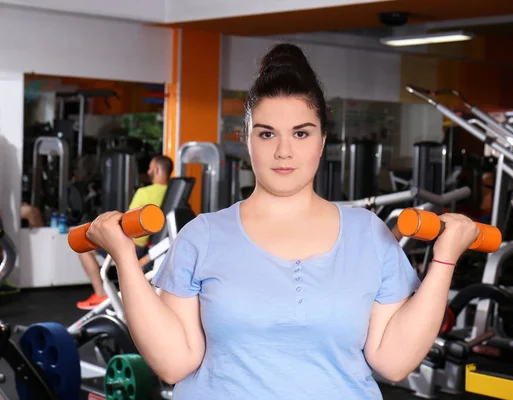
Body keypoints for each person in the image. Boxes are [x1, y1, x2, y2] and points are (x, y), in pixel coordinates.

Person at [86, 44, 481, 399]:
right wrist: (123, 257)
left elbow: (393, 361)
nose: (284, 151)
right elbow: (174, 364)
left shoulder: (369, 234)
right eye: (267, 134)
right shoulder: (202, 236)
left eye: (301, 133)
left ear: (323, 140)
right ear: (247, 139)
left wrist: (444, 259)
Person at [76, 155, 173, 310]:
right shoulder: (173, 193)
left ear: (155, 170)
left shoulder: (144, 192)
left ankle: (101, 294)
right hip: (154, 246)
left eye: (149, 168)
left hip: (135, 245)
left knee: (84, 247)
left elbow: (127, 223)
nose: (148, 171)